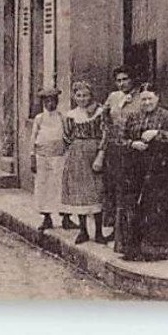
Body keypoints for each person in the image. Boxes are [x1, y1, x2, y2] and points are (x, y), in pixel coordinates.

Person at [114, 87, 168, 261]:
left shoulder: (166, 116)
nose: (147, 103)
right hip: (135, 168)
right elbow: (118, 140)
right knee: (133, 207)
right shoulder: (132, 117)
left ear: (157, 98)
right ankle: (133, 248)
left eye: (150, 99)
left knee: (156, 207)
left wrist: (157, 134)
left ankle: (157, 249)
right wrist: (133, 144)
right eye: (144, 99)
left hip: (159, 169)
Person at [98, 66, 143, 243]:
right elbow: (105, 119)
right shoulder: (113, 97)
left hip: (133, 149)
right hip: (114, 148)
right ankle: (115, 231)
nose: (122, 83)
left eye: (125, 79)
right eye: (119, 80)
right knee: (113, 189)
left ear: (132, 80)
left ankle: (129, 233)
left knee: (129, 191)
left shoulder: (141, 97)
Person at [61, 80, 106, 244]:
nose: (82, 99)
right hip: (77, 156)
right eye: (78, 95)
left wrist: (100, 154)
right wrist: (73, 151)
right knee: (80, 192)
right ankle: (83, 230)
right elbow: (66, 137)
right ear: (74, 97)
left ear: (91, 95)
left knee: (97, 190)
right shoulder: (71, 115)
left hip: (95, 153)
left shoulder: (100, 112)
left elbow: (105, 134)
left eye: (85, 95)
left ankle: (99, 232)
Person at [29, 89, 66, 232]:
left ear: (57, 102)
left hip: (58, 155)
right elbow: (33, 138)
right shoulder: (39, 118)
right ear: (43, 103)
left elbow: (66, 136)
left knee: (59, 185)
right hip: (42, 156)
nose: (50, 104)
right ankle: (46, 217)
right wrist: (32, 156)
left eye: (53, 101)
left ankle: (65, 217)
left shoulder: (61, 117)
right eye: (47, 101)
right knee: (43, 185)